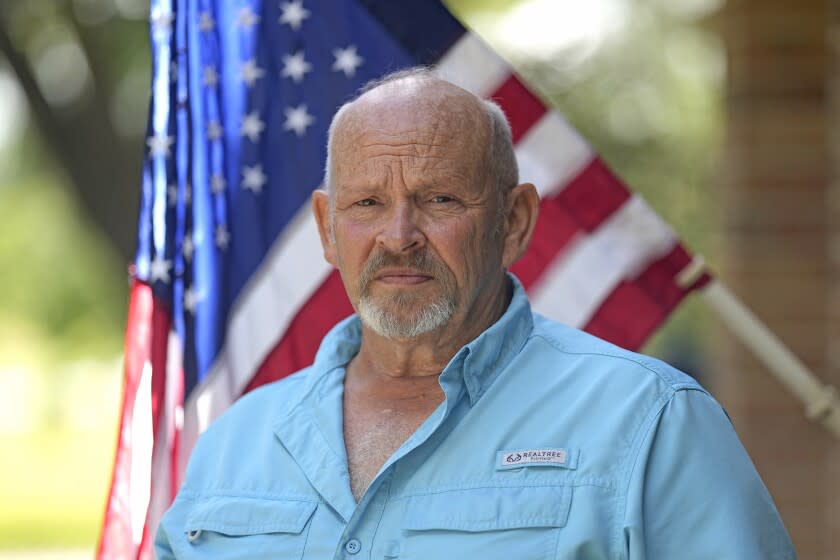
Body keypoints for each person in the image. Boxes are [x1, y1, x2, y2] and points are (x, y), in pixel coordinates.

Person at [155, 68, 795, 559]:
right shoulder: (236, 442)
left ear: (513, 222)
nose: (398, 235)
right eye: (368, 203)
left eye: (438, 198)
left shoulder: (650, 422)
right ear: (326, 228)